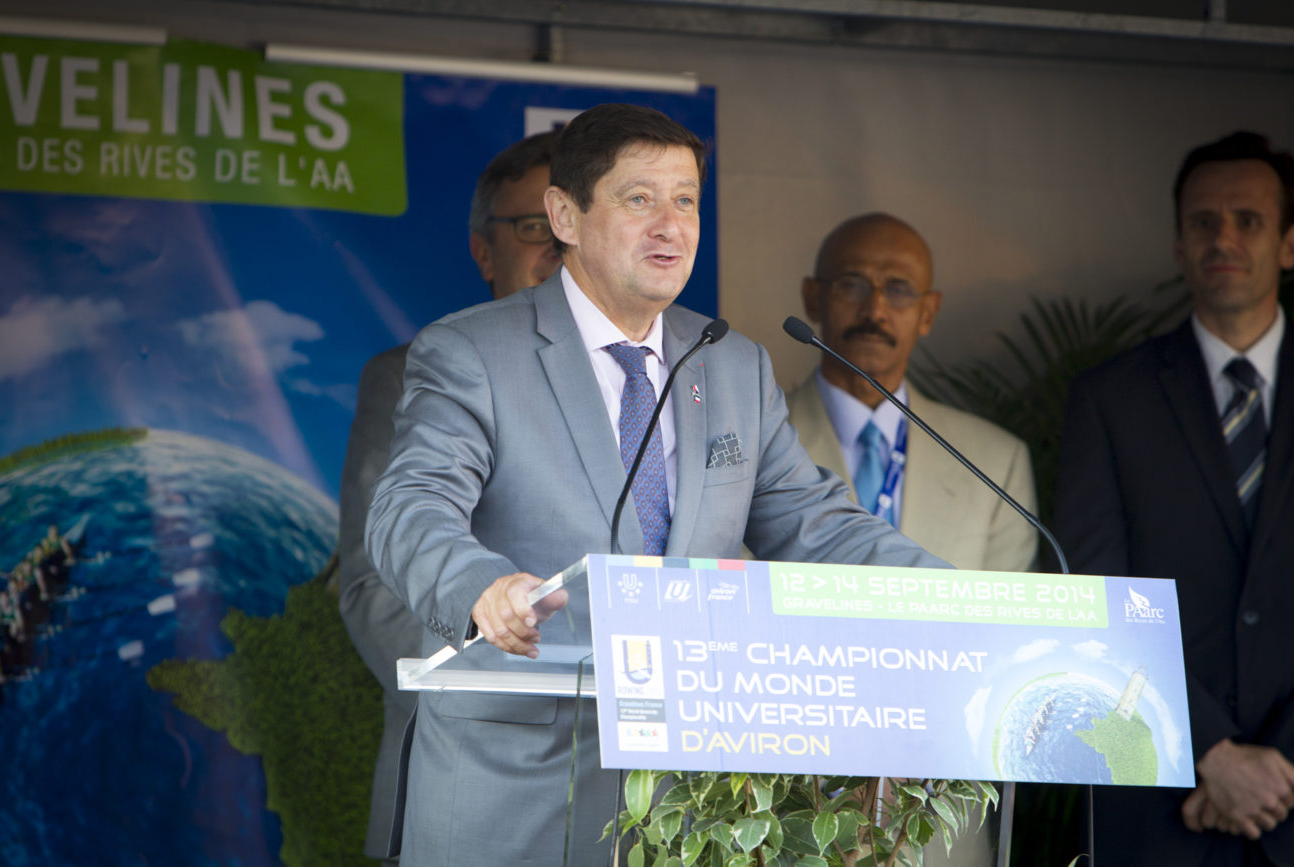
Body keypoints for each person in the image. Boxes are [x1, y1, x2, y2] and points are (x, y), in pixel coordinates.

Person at [365, 103, 951, 867]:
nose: (671, 227)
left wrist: (954, 596)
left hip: (682, 806)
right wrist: (480, 586)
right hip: (512, 794)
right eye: (640, 199)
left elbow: (817, 523)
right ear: (565, 215)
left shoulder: (731, 363)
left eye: (686, 201)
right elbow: (409, 508)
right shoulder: (471, 351)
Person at [1055, 131, 1294, 866]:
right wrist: (1211, 752)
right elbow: (1094, 593)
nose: (1224, 238)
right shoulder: (1108, 400)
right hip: (1159, 799)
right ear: (1178, 244)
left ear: (1288, 243)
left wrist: (1276, 766)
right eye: (1203, 222)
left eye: (1248, 220)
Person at [337, 130, 561, 865]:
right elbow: (373, 589)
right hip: (459, 781)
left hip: (625, 801)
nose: (557, 246)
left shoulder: (654, 379)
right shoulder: (407, 377)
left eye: (572, 223)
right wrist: (513, 698)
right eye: (533, 226)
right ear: (484, 251)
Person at [788, 213, 1038, 573]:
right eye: (852, 284)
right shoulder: (758, 440)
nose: (875, 310)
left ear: (928, 313)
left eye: (898, 289)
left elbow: (1008, 606)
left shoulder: (996, 462)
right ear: (813, 298)